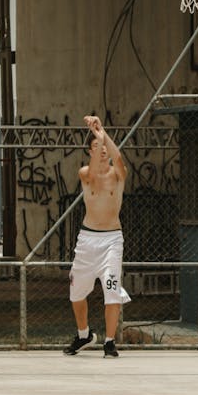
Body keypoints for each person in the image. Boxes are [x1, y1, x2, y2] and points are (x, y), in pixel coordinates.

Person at [64, 115, 130, 358]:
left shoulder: (117, 175)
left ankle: (110, 342)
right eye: (96, 147)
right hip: (88, 239)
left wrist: (102, 133)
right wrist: (97, 138)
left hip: (111, 239)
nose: (102, 151)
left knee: (112, 288)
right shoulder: (86, 173)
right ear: (89, 151)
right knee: (76, 292)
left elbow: (119, 159)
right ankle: (84, 335)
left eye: (103, 149)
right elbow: (92, 173)